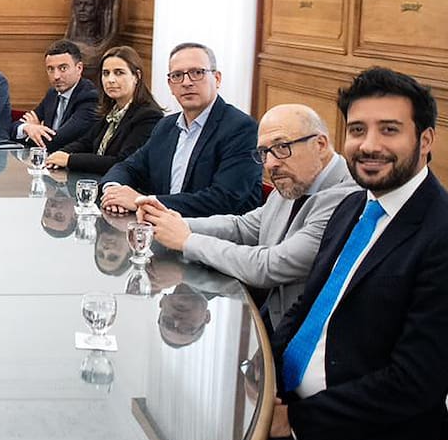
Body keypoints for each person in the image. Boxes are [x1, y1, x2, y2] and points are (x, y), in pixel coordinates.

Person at [235, 67, 448, 440]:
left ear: (425, 139)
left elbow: (415, 383)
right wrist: (259, 374)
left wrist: (294, 421)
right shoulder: (354, 203)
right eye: (357, 129)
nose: (369, 144)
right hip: (291, 398)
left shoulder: (440, 234)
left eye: (389, 129)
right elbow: (305, 307)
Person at [139, 104, 359, 331]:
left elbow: (270, 265)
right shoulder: (297, 178)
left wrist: (187, 241)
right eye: (264, 152)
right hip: (269, 316)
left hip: (306, 335)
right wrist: (172, 222)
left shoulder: (346, 197)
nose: (271, 163)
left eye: (282, 147)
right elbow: (242, 226)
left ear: (320, 145)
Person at [100, 42, 261, 217]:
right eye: (177, 75)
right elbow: (129, 167)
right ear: (170, 85)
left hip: (211, 239)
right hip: (159, 231)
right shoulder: (166, 126)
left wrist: (142, 201)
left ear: (217, 79)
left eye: (197, 73)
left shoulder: (242, 129)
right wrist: (113, 191)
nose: (186, 82)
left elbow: (224, 199)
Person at [46, 46, 164, 174]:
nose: (110, 80)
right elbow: (86, 142)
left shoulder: (148, 116)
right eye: (106, 73)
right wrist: (60, 153)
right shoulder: (111, 109)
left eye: (119, 72)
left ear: (136, 76)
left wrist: (69, 159)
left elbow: (123, 162)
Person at [12, 40, 98, 150]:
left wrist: (36, 130)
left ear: (79, 68)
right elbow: (13, 128)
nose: (56, 76)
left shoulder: (89, 97)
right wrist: (28, 127)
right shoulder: (52, 94)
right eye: (51, 69)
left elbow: (57, 141)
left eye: (63, 68)